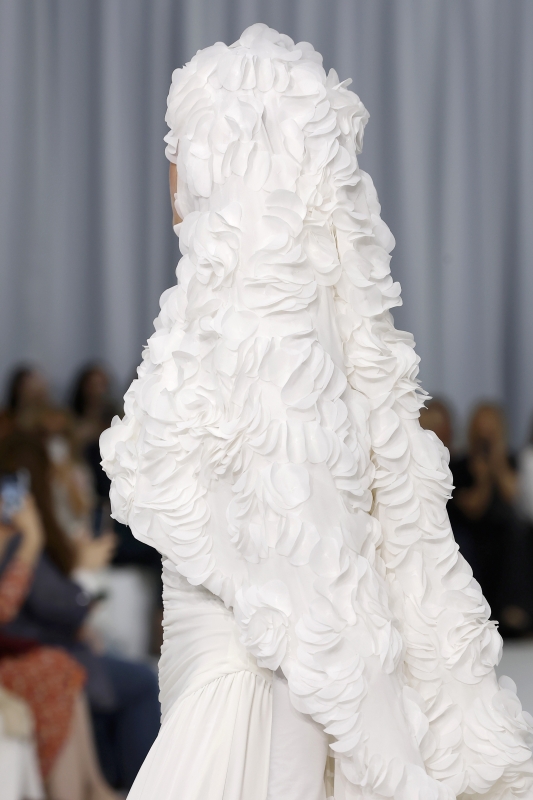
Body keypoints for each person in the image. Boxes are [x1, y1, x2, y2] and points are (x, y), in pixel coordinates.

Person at [100, 24, 533, 800]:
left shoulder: (256, 333)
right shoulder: (270, 327)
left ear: (225, 161)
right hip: (252, 650)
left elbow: (303, 553)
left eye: (183, 148)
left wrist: (326, 665)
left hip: (258, 664)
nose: (173, 176)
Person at [0, 432, 160, 791]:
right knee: (129, 679)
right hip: (36, 652)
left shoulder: (20, 536)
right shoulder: (21, 538)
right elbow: (24, 606)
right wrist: (78, 571)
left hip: (45, 648)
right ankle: (131, 789)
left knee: (87, 667)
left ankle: (105, 786)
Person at [0, 486, 116, 799]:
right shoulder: (22, 541)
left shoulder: (13, 539)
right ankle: (83, 790)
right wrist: (32, 542)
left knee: (61, 667)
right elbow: (6, 607)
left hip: (26, 653)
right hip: (14, 660)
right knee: (55, 668)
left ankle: (91, 785)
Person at [449, 403, 532, 633]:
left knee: (519, 536)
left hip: (507, 537)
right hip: (472, 533)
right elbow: (472, 508)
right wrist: (483, 479)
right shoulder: (460, 465)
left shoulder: (512, 462)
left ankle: (515, 612)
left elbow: (516, 496)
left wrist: (498, 465)